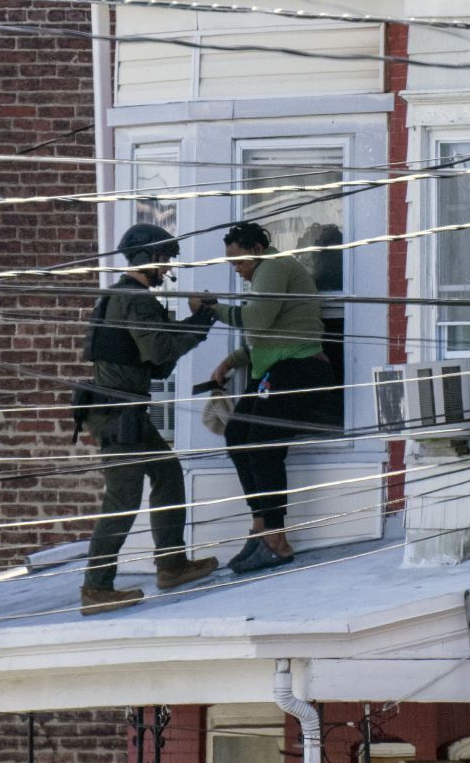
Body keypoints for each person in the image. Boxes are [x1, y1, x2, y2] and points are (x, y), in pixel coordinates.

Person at [78, 223, 220, 615]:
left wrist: (187, 327)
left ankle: (172, 565)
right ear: (150, 258)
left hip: (126, 412)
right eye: (165, 258)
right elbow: (159, 354)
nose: (168, 267)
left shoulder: (121, 296)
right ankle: (96, 587)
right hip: (118, 415)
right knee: (122, 498)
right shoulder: (136, 300)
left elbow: (154, 363)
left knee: (168, 475)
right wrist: (202, 320)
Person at [208, 221, 336, 575]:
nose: (237, 271)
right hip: (278, 368)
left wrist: (212, 308)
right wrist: (230, 362)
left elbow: (257, 320)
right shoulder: (268, 273)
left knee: (262, 442)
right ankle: (262, 525)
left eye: (239, 262)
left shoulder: (275, 267)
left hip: (300, 369)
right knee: (237, 434)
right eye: (231, 264)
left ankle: (276, 539)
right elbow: (271, 336)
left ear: (258, 251)